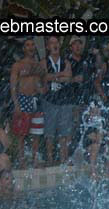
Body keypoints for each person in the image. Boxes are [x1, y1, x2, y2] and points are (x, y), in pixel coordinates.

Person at [10, 37, 45, 168]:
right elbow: (13, 86)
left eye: (32, 45)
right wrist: (16, 103)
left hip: (35, 99)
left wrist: (43, 88)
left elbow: (42, 80)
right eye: (28, 45)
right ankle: (22, 160)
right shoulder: (18, 65)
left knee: (36, 132)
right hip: (23, 99)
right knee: (21, 133)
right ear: (24, 49)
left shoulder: (38, 65)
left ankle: (35, 158)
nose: (31, 47)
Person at [42, 36, 73, 165]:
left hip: (63, 100)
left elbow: (69, 78)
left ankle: (63, 158)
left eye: (56, 43)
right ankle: (50, 159)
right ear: (48, 47)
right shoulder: (44, 62)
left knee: (64, 132)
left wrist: (54, 77)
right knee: (49, 132)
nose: (54, 45)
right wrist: (61, 75)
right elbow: (44, 76)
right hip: (50, 100)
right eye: (52, 43)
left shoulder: (66, 62)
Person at [66, 36, 96, 159]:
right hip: (73, 99)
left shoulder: (87, 60)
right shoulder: (67, 62)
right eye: (75, 44)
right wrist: (73, 79)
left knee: (87, 126)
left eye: (80, 44)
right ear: (71, 47)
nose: (78, 46)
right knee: (74, 126)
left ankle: (85, 152)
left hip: (87, 98)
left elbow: (95, 74)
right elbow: (63, 79)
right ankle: (70, 154)